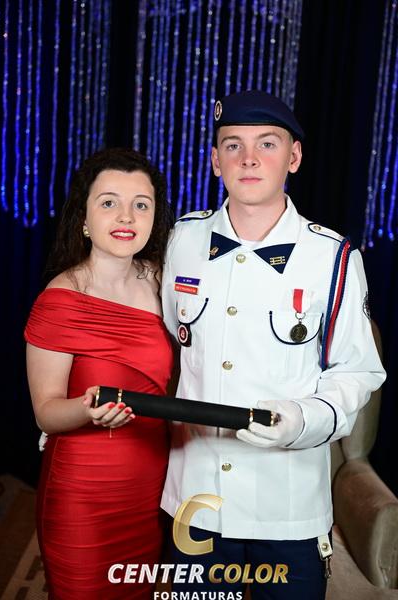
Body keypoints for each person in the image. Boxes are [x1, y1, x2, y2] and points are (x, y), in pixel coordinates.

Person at [160, 90, 386, 600]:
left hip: (287, 507)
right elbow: (167, 342)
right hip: (196, 499)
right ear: (215, 160)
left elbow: (357, 372)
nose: (249, 158)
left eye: (267, 143)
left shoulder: (333, 257)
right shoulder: (181, 242)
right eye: (233, 145)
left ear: (294, 156)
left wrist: (303, 420)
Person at [24, 147, 174, 599]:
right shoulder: (60, 299)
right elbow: (46, 413)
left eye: (140, 205)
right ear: (85, 218)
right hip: (83, 494)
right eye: (109, 202)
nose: (126, 216)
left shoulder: (166, 283)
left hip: (150, 486)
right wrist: (86, 409)